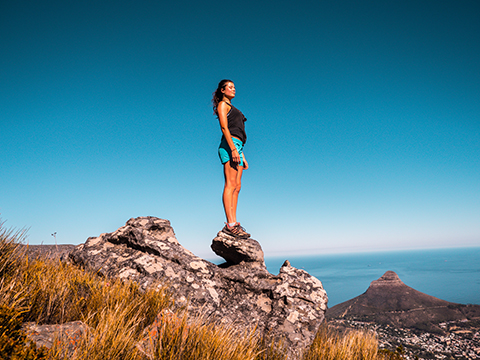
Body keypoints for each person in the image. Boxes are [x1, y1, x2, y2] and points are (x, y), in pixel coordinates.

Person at [212, 79, 250, 238]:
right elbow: (224, 127)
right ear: (222, 90)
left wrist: (242, 154)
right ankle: (230, 224)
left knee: (238, 186)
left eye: (234, 87)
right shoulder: (223, 105)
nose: (234, 89)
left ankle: (235, 222)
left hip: (238, 147)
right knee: (230, 183)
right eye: (230, 87)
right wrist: (233, 149)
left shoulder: (234, 108)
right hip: (230, 145)